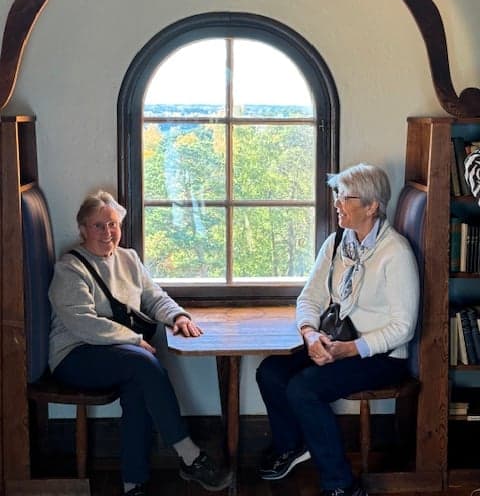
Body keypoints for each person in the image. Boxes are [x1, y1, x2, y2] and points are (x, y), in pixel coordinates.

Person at [48, 190, 231, 496]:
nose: (108, 232)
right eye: (98, 225)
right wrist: (133, 340)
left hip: (120, 355)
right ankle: (189, 455)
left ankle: (134, 484)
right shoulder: (70, 268)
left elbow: (153, 296)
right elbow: (83, 323)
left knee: (138, 385)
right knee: (142, 362)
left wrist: (177, 316)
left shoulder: (129, 259)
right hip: (75, 354)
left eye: (113, 224)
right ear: (82, 229)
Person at [256, 163, 419, 496]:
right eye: (337, 195)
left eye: (345, 197)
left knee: (304, 389)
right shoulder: (336, 243)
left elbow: (403, 328)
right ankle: (293, 445)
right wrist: (310, 333)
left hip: (381, 356)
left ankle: (341, 486)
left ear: (372, 206)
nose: (337, 203)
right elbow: (310, 297)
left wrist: (350, 349)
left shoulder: (396, 253)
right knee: (270, 371)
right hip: (337, 342)